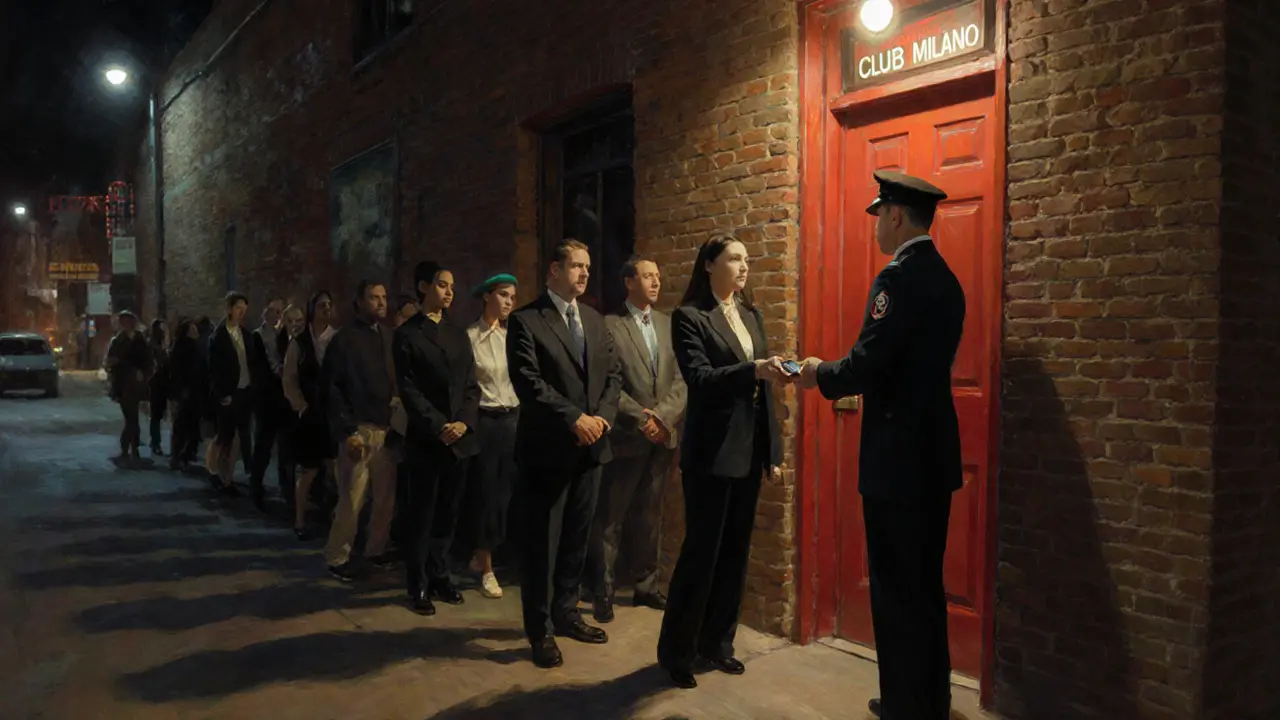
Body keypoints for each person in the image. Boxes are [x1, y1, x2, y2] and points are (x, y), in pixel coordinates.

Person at [798, 170, 964, 720]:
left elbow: (867, 364)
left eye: (879, 217)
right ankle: (931, 700)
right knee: (926, 585)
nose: (875, 229)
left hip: (897, 461)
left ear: (896, 215)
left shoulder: (896, 280)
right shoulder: (947, 279)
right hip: (934, 456)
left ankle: (901, 704)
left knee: (895, 589)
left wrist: (816, 372)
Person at [656, 232, 786, 690]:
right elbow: (700, 377)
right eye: (734, 259)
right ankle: (677, 651)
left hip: (749, 451)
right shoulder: (690, 317)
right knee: (701, 555)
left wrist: (773, 451)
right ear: (709, 265)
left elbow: (764, 388)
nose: (744, 267)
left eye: (746, 259)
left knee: (735, 554)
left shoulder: (749, 313)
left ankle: (718, 643)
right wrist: (753, 369)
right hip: (711, 453)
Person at [506, 239, 622, 669]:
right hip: (547, 450)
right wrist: (575, 418)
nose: (585, 273)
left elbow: (613, 375)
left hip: (591, 448)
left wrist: (604, 420)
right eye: (576, 266)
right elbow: (530, 384)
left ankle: (567, 611)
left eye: (588, 267)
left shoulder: (593, 319)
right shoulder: (527, 321)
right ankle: (539, 630)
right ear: (554, 270)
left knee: (576, 538)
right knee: (543, 545)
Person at [587, 256, 686, 623]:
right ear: (629, 282)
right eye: (647, 276)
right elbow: (606, 381)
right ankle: (604, 589)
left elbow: (682, 378)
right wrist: (641, 417)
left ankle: (646, 586)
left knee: (650, 515)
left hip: (663, 435)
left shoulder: (668, 323)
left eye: (658, 277)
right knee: (611, 517)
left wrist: (664, 417)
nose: (655, 283)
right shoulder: (610, 326)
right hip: (629, 435)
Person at [393, 261, 480, 615]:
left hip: (458, 439)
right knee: (422, 515)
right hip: (428, 440)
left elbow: (472, 386)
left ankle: (441, 574)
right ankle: (418, 584)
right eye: (443, 285)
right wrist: (439, 424)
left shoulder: (458, 334)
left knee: (448, 513)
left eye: (452, 287)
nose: (449, 292)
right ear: (423, 286)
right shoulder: (407, 335)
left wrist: (463, 423)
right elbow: (410, 390)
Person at [322, 280, 400, 582]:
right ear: (359, 301)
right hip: (359, 430)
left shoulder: (388, 337)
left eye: (383, 297)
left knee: (385, 499)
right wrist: (347, 431)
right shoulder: (344, 341)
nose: (380, 303)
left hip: (386, 427)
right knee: (352, 499)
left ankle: (375, 550)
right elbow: (332, 389)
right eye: (373, 297)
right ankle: (337, 555)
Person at [463, 273, 520, 598]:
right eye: (502, 295)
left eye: (512, 296)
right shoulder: (471, 337)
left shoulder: (511, 338)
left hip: (511, 418)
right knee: (485, 492)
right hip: (485, 420)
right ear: (487, 296)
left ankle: (486, 554)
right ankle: (486, 567)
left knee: (505, 493)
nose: (508, 301)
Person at [283, 291, 337, 540]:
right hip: (310, 414)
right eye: (321, 305)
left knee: (335, 467)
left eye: (329, 305)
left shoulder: (337, 340)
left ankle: (333, 515)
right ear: (312, 309)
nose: (326, 309)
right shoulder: (300, 343)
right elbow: (289, 379)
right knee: (309, 470)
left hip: (334, 413)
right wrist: (301, 406)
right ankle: (299, 519)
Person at [207, 292, 257, 495]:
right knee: (224, 436)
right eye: (238, 307)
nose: (241, 312)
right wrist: (221, 393)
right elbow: (213, 368)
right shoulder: (218, 336)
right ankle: (214, 471)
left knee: (237, 435)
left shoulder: (245, 334)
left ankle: (228, 476)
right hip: (229, 391)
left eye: (244, 308)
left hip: (245, 390)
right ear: (229, 308)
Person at [249, 297, 287, 510]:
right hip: (266, 398)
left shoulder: (284, 335)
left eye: (279, 311)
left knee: (284, 445)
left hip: (282, 397)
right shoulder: (257, 336)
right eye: (273, 311)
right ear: (265, 312)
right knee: (263, 444)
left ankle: (284, 485)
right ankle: (256, 486)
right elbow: (258, 369)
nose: (276, 315)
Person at [104, 311, 152, 466]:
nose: (125, 324)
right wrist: (115, 365)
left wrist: (144, 374)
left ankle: (132, 448)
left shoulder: (140, 339)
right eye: (122, 321)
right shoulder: (118, 340)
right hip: (123, 383)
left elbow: (148, 360)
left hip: (137, 384)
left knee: (133, 418)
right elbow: (110, 361)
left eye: (127, 321)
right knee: (131, 417)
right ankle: (130, 448)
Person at [168, 318, 205, 471]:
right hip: (187, 391)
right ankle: (178, 455)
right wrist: (181, 390)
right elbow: (177, 371)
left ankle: (186, 454)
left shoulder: (194, 346)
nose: (195, 331)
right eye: (192, 329)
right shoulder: (183, 347)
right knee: (183, 425)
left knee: (192, 425)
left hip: (195, 391)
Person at [147, 319, 170, 457]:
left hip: (163, 383)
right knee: (155, 415)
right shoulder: (152, 346)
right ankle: (155, 442)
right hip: (155, 383)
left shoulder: (162, 346)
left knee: (159, 414)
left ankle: (156, 441)